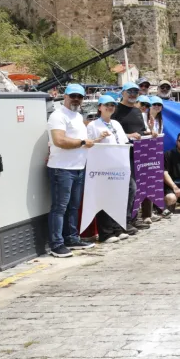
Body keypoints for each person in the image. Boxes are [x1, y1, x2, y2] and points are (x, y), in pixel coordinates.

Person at [46, 83, 98, 257]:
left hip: (77, 168)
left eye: (80, 96)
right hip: (62, 169)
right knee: (59, 208)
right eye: (73, 95)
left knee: (73, 206)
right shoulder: (57, 115)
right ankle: (56, 244)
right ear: (65, 96)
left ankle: (72, 238)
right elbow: (59, 141)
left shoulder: (76, 115)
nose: (76, 99)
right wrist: (83, 143)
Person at [87, 95, 136, 243]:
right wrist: (99, 139)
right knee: (106, 198)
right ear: (99, 107)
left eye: (112, 105)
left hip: (120, 166)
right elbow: (89, 145)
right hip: (103, 167)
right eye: (106, 105)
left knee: (122, 196)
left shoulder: (116, 124)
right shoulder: (93, 125)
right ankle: (106, 233)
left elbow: (124, 142)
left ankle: (117, 228)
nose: (110, 107)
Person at [112, 82, 156, 226]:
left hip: (138, 154)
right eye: (130, 91)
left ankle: (132, 218)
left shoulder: (137, 111)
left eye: (135, 92)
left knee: (137, 187)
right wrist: (129, 135)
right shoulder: (116, 110)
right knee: (130, 188)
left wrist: (150, 133)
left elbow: (141, 131)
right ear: (123, 93)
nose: (132, 94)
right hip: (122, 155)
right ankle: (124, 221)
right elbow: (111, 131)